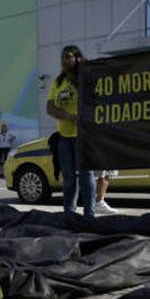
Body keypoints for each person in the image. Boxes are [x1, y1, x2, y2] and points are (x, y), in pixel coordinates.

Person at [47, 44, 95, 218]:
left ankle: (89, 214)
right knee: (68, 178)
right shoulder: (58, 82)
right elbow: (50, 108)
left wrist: (85, 69)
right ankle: (69, 213)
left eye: (69, 57)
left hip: (82, 136)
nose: (65, 60)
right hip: (64, 137)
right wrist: (68, 116)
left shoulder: (84, 78)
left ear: (77, 58)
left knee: (86, 176)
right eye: (63, 57)